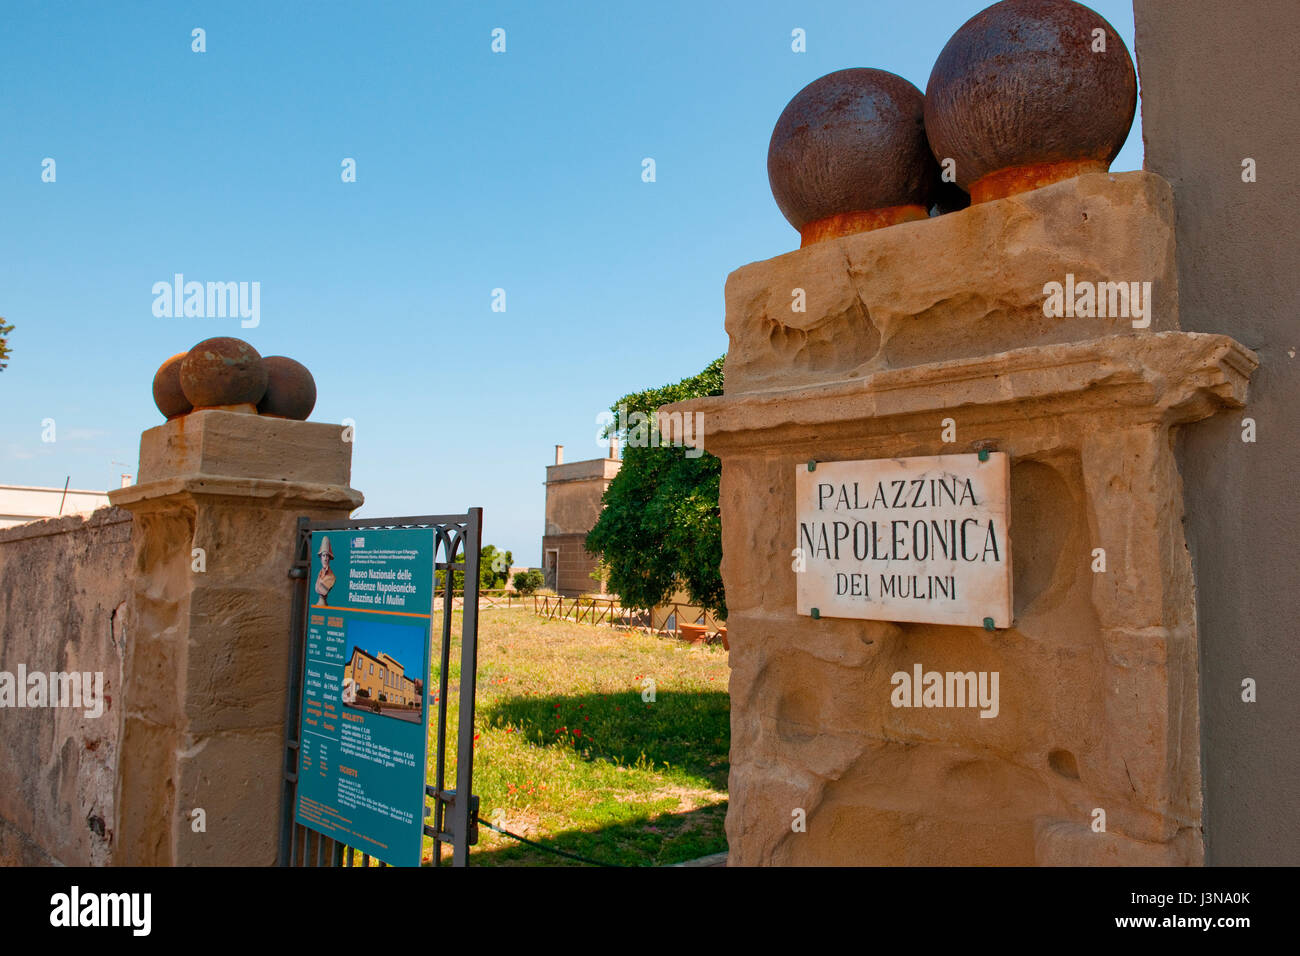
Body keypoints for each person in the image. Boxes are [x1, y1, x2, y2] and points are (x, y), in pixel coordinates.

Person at [315, 536, 336, 605]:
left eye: (327, 556)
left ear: (329, 558)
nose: (325, 559)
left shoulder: (332, 576)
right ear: (320, 557)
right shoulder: (320, 573)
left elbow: (323, 590)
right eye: (323, 555)